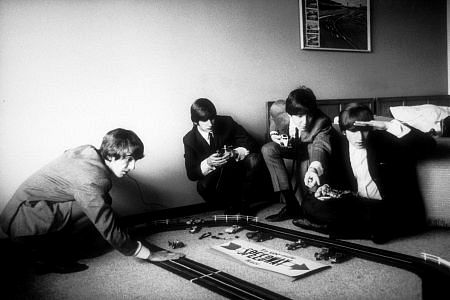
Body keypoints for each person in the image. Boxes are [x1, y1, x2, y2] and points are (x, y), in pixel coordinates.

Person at [0, 128, 184, 274]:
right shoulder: (94, 180)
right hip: (25, 225)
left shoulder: (88, 150)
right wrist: (148, 254)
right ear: (111, 155)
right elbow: (108, 226)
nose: (132, 167)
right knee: (101, 207)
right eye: (128, 160)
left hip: (19, 214)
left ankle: (52, 248)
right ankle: (47, 257)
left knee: (103, 201)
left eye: (134, 160)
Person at [294, 103, 436, 243]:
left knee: (377, 217)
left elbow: (429, 146)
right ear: (344, 131)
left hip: (387, 207)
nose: (360, 138)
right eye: (354, 131)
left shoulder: (387, 141)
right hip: (358, 203)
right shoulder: (340, 146)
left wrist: (388, 125)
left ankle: (331, 229)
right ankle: (368, 231)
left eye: (365, 130)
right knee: (309, 203)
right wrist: (326, 188)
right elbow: (339, 181)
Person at [261, 86, 333, 222]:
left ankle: (312, 205)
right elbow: (273, 117)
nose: (305, 122)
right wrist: (273, 133)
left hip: (310, 151)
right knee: (268, 149)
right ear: (289, 114)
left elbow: (320, 146)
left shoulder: (322, 122)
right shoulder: (279, 110)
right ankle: (291, 204)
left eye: (309, 115)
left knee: (312, 146)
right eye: (299, 116)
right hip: (292, 147)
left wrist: (313, 169)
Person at [183, 98, 265, 215]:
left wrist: (234, 152)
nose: (210, 123)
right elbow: (191, 174)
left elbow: (251, 143)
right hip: (216, 177)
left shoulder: (227, 122)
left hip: (237, 169)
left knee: (254, 159)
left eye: (212, 118)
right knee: (203, 187)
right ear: (195, 122)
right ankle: (229, 205)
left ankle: (244, 205)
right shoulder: (189, 140)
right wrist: (208, 163)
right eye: (205, 120)